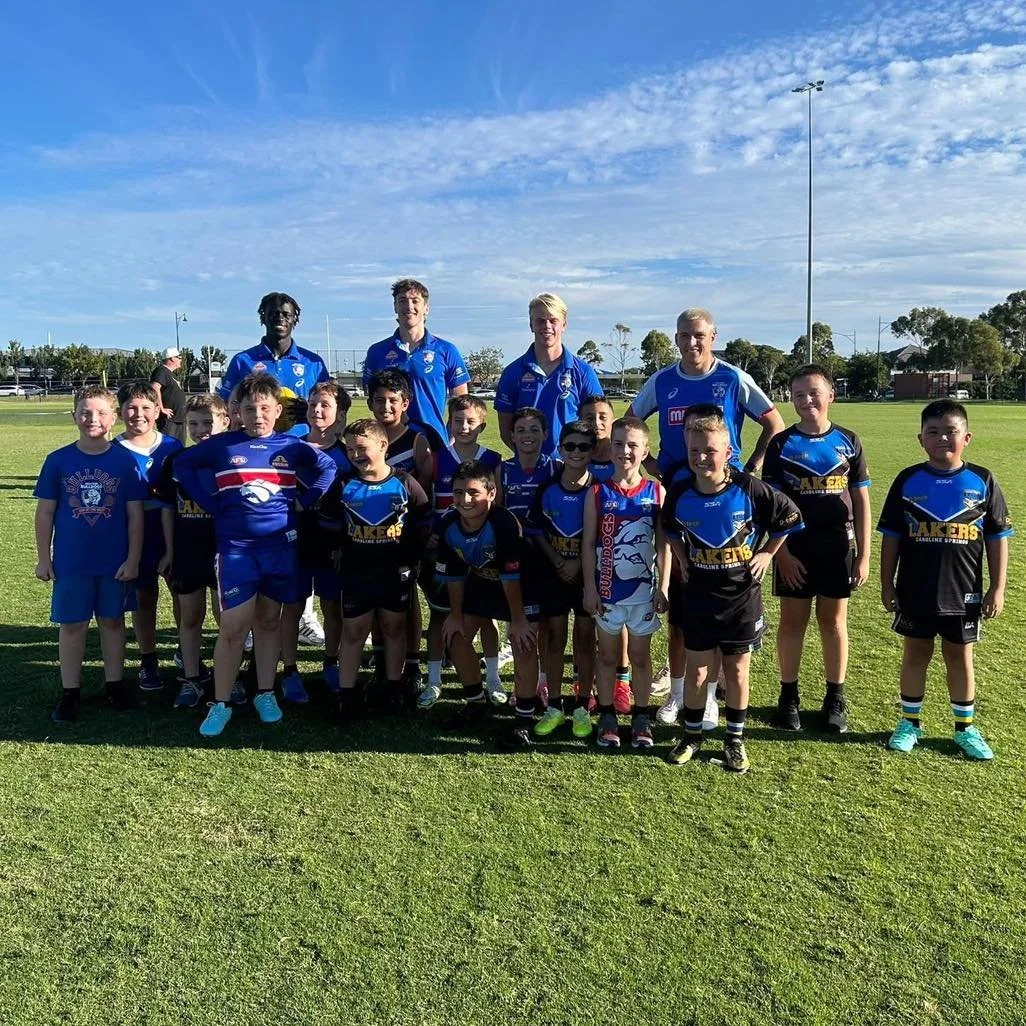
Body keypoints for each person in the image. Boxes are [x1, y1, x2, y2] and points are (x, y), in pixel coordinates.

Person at [628, 308, 784, 727]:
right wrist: (654, 464)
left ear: (713, 335)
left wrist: (753, 462)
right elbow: (631, 422)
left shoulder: (732, 378)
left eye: (699, 335)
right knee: (681, 605)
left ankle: (710, 696)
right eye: (684, 335)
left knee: (719, 604)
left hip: (724, 501)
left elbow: (774, 422)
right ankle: (679, 692)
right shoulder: (662, 381)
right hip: (679, 501)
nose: (692, 342)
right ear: (675, 338)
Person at [173, 374, 337, 738]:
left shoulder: (292, 447)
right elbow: (182, 466)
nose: (258, 415)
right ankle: (220, 702)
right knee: (233, 629)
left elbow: (328, 468)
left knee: (268, 623)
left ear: (278, 411)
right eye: (250, 409)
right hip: (236, 551)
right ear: (236, 413)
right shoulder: (222, 446)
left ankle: (265, 692)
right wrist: (211, 502)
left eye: (265, 408)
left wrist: (305, 501)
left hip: (281, 549)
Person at [661, 411, 803, 773]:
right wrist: (682, 558)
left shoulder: (748, 489)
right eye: (695, 450)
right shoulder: (679, 492)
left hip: (741, 598)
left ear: (728, 452)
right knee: (696, 672)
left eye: (710, 450)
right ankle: (692, 734)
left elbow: (789, 517)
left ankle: (735, 740)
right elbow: (670, 530)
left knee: (737, 671)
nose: (702, 457)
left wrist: (768, 554)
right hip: (699, 597)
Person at [878, 400, 1011, 761]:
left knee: (960, 657)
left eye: (950, 432)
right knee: (915, 654)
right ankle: (909, 723)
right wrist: (886, 583)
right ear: (921, 439)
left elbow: (998, 539)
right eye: (933, 433)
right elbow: (891, 536)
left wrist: (997, 587)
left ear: (966, 437)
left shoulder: (982, 480)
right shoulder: (908, 480)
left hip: (964, 593)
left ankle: (965, 729)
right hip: (915, 589)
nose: (942, 439)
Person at [217, 292, 332, 645]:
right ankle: (251, 619)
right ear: (261, 317)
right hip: (256, 460)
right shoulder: (244, 361)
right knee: (260, 531)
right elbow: (228, 406)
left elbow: (325, 404)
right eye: (271, 313)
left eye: (285, 313)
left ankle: (304, 616)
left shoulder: (311, 362)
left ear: (295, 318)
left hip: (299, 456)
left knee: (298, 533)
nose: (278, 318)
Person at [762, 365, 871, 733]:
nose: (807, 401)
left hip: (838, 545)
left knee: (833, 622)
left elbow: (862, 501)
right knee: (793, 622)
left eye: (814, 393)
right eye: (798, 395)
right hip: (795, 547)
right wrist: (784, 554)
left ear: (830, 396)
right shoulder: (781, 444)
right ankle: (788, 696)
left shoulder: (849, 440)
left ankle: (835, 696)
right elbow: (773, 506)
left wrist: (864, 554)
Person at [34, 385, 146, 721]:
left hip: (114, 562)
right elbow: (45, 513)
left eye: (100, 413)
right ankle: (71, 692)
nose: (92, 419)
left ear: (114, 417)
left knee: (112, 622)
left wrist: (134, 558)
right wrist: (44, 557)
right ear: (74, 417)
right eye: (85, 412)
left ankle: (115, 685)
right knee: (72, 625)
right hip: (71, 562)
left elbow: (135, 514)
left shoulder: (125, 462)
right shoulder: (58, 461)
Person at [321, 419, 430, 718]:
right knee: (354, 631)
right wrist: (338, 552)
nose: (356, 455)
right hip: (357, 573)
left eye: (363, 448)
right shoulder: (344, 485)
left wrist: (412, 557)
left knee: (394, 628)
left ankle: (393, 688)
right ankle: (347, 693)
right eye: (351, 449)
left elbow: (423, 523)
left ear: (383, 446)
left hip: (395, 572)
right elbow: (330, 525)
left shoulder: (405, 482)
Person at [437, 460, 541, 748]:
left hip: (523, 587)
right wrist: (455, 615)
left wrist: (518, 620)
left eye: (473, 493)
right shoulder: (448, 524)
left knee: (523, 643)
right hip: (483, 584)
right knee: (455, 636)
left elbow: (511, 577)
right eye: (458, 493)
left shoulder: (505, 523)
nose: (465, 500)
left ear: (491, 494)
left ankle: (523, 719)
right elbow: (455, 575)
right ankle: (475, 703)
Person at [581, 417, 670, 751]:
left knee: (640, 657)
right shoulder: (598, 492)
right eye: (618, 444)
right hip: (607, 594)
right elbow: (589, 543)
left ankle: (641, 715)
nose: (625, 451)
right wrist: (590, 588)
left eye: (633, 445)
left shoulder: (656, 492)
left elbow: (663, 545)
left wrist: (664, 586)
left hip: (644, 595)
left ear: (645, 450)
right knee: (606, 656)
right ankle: (606, 716)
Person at [417, 395, 504, 710]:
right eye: (457, 421)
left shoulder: (494, 460)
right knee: (440, 616)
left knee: (486, 618)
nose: (464, 426)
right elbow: (422, 498)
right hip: (443, 551)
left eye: (470, 421)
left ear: (482, 424)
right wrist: (428, 534)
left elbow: (499, 507)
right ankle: (433, 680)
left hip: (482, 552)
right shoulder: (437, 458)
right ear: (449, 422)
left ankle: (492, 679)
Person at [157, 394, 233, 709]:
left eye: (207, 423)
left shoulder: (233, 459)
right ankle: (191, 678)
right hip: (188, 551)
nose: (201, 430)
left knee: (227, 621)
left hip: (224, 552)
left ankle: (228, 678)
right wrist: (169, 550)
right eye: (193, 424)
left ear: (225, 422)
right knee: (189, 618)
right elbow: (166, 510)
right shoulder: (176, 462)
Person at [279, 381, 353, 703]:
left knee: (332, 606)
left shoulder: (348, 454)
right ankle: (290, 671)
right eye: (312, 404)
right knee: (292, 606)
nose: (317, 411)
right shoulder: (290, 445)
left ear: (339, 414)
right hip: (293, 541)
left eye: (325, 405)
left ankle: (331, 663)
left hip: (332, 544)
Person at [528, 421, 598, 739]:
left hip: (588, 578)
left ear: (593, 451)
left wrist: (580, 566)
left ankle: (582, 705)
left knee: (585, 640)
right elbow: (536, 531)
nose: (576, 452)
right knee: (555, 639)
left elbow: (602, 539)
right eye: (570, 446)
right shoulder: (549, 488)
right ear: (560, 448)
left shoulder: (600, 490)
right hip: (553, 575)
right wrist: (558, 560)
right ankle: (554, 705)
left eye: (583, 447)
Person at [114, 381, 183, 691]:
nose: (138, 414)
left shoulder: (172, 447)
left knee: (181, 591)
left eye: (145, 407)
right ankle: (148, 659)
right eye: (131, 407)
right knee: (144, 596)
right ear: (120, 412)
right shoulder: (113, 450)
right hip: (131, 532)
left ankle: (186, 649)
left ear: (158, 410)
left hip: (171, 529)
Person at [363, 279, 471, 450]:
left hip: (434, 441)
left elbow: (462, 403)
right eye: (402, 301)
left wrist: (449, 438)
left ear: (426, 308)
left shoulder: (446, 350)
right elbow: (373, 398)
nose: (409, 306)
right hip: (389, 442)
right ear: (395, 306)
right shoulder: (377, 352)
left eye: (415, 301)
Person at [495, 292, 603, 457]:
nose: (547, 326)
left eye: (553, 320)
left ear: (564, 325)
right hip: (529, 470)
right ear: (531, 325)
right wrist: (529, 459)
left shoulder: (583, 372)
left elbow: (600, 424)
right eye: (540, 320)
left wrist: (577, 459)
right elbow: (506, 431)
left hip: (572, 469)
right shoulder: (512, 373)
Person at [150, 348, 187, 442]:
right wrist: (161, 408)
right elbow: (155, 387)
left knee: (180, 448)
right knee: (167, 447)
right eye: (179, 357)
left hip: (179, 419)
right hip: (169, 419)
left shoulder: (171, 374)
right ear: (172, 358)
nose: (180, 360)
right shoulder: (161, 370)